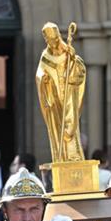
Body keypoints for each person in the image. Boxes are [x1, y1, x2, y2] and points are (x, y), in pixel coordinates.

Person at [36, 21, 86, 162]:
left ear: (58, 37)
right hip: (54, 99)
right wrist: (43, 79)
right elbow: (39, 73)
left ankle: (74, 157)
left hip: (68, 97)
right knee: (57, 129)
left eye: (55, 40)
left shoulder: (68, 53)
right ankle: (61, 159)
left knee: (70, 128)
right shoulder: (45, 56)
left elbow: (79, 73)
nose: (53, 43)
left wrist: (74, 61)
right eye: (50, 41)